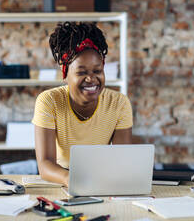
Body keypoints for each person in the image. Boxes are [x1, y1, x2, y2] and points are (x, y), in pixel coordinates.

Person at [32, 22, 133, 186]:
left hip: (102, 180)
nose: (91, 79)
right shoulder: (49, 101)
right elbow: (45, 165)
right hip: (62, 179)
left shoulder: (119, 103)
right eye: (82, 72)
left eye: (97, 71)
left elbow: (122, 161)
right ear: (65, 73)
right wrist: (72, 180)